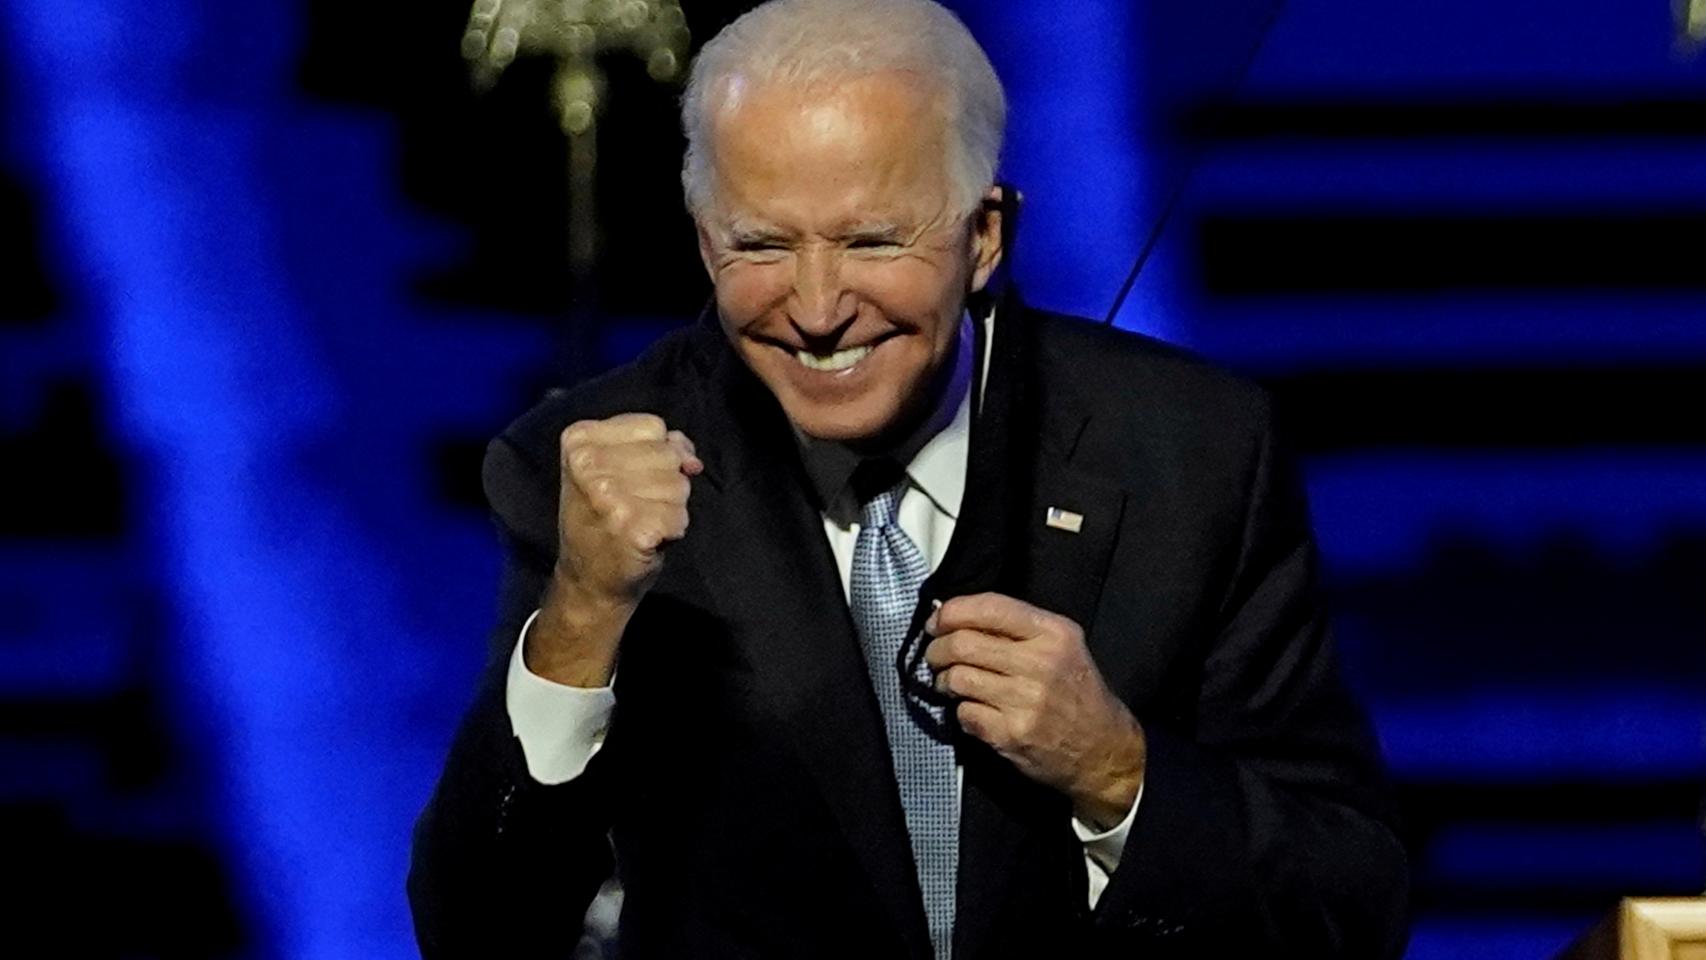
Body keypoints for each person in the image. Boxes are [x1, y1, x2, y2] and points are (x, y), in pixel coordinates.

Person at [408, 0, 1409, 956]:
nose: (814, 309)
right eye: (760, 244)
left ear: (983, 237)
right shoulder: (578, 471)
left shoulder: (1189, 452)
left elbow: (1349, 908)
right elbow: (479, 933)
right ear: (702, 238)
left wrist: (1115, 770)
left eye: (871, 241)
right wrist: (580, 618)